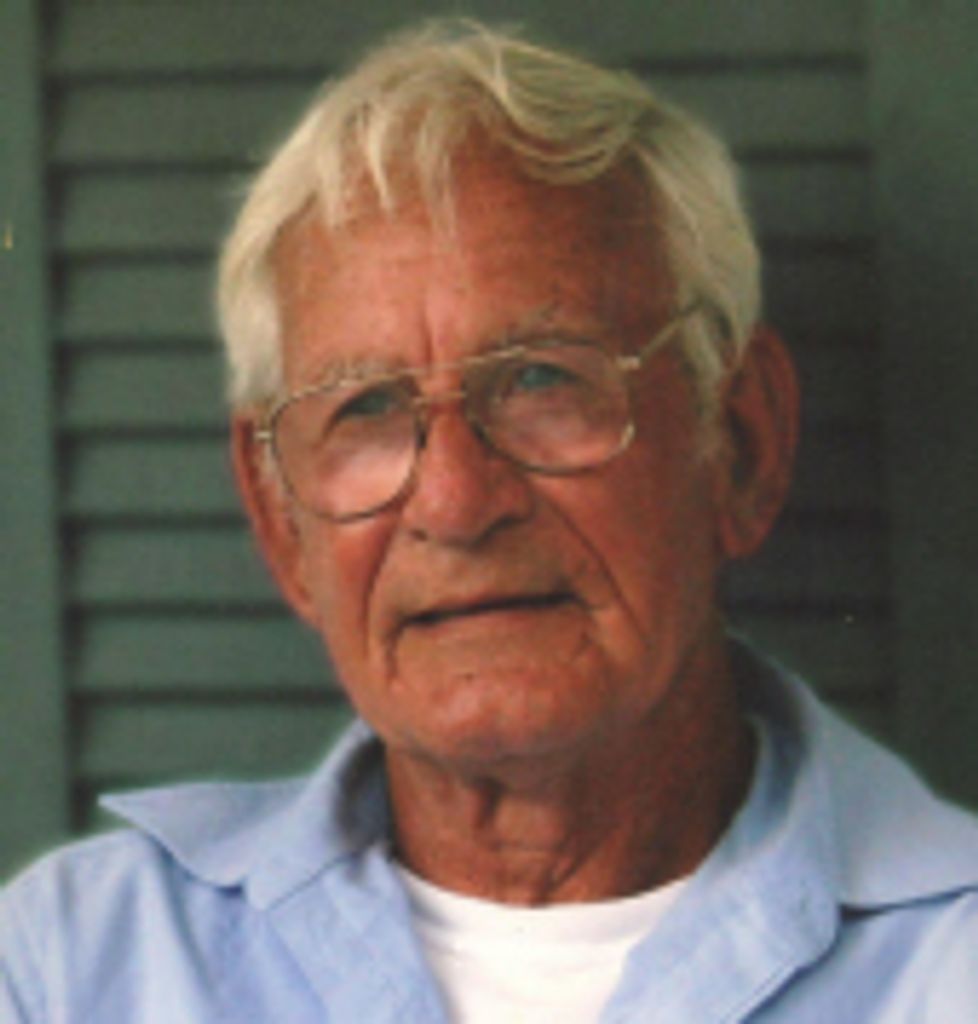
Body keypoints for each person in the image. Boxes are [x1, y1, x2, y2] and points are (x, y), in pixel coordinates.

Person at [3, 20, 977, 1023]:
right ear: (282, 520)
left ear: (740, 442)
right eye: (366, 409)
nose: (456, 502)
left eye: (543, 379)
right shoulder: (69, 970)